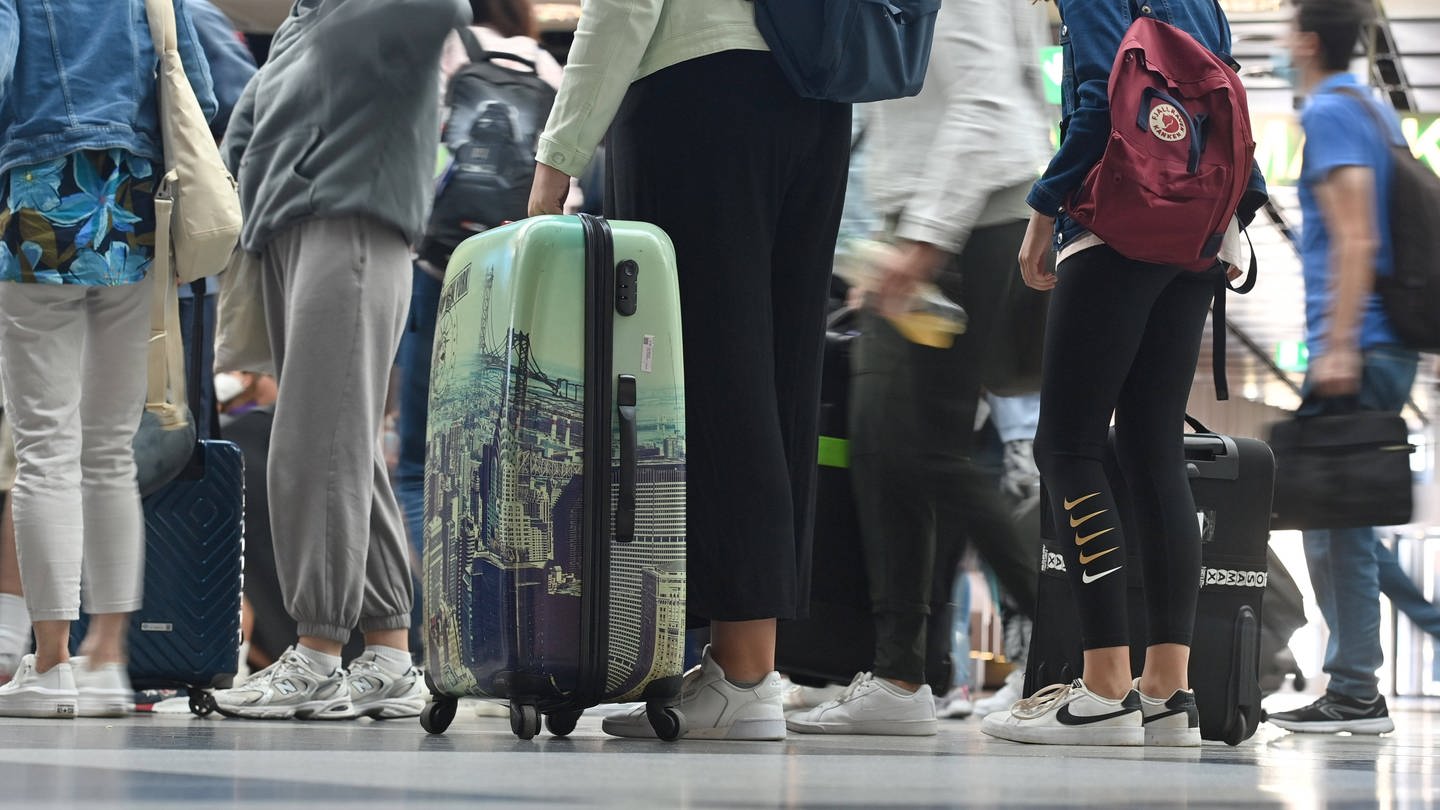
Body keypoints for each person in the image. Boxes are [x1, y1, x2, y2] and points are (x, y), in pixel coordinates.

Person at [529, 0, 851, 740]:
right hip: (821, 97)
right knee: (779, 381)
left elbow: (626, 4)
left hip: (700, 93)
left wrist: (559, 155)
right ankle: (747, 665)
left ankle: (743, 680)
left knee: (711, 376)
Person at [976, 0, 1267, 747]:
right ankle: (1169, 691)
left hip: (1118, 220)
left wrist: (1044, 211)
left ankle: (1105, 687)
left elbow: (1100, 102)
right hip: (1201, 231)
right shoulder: (1202, 1)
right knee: (1151, 448)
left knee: (1067, 447)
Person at [785, 0, 1049, 738]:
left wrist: (925, 245)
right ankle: (900, 673)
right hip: (935, 224)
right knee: (884, 449)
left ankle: (1078, 640)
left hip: (965, 226)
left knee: (921, 450)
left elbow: (986, 98)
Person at [216, 0, 469, 721]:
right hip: (289, 228)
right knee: (343, 446)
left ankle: (318, 651)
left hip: (351, 219)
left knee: (313, 448)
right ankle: (389, 651)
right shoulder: (305, 16)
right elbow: (250, 127)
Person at [0, 0, 216, 718]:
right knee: (108, 453)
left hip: (38, 203)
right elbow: (203, 92)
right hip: (131, 210)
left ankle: (53, 662)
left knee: (44, 447)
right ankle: (108, 662)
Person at [1266, 0, 1419, 736]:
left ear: (1304, 39)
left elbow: (1355, 236)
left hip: (1361, 340)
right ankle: (1356, 683)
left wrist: (1336, 344)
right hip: (1376, 337)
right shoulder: (1373, 110)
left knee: (1340, 526)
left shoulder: (1329, 109)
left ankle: (1357, 692)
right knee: (1336, 519)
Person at [395, 0, 565, 617]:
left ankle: (427, 624)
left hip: (438, 267)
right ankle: (492, 619)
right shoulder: (550, 68)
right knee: (503, 460)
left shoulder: (447, 49)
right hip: (515, 278)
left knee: (417, 459)